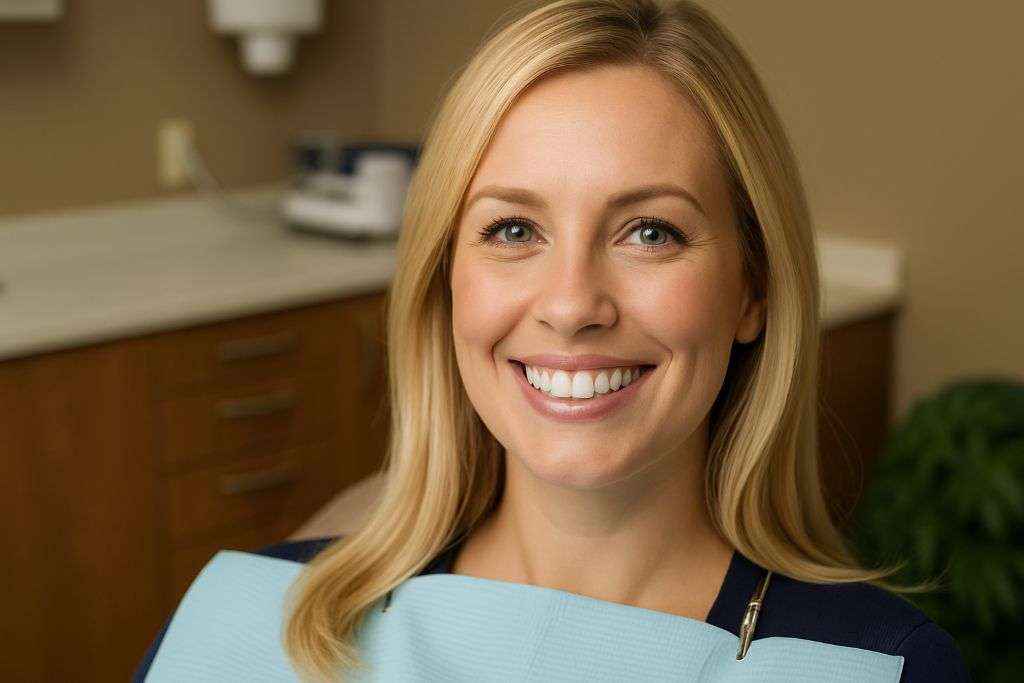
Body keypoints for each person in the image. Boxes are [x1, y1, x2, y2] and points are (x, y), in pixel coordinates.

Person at [135, 1, 970, 681]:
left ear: (753, 287)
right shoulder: (246, 628)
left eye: (649, 231)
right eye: (512, 228)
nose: (572, 305)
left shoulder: (876, 667)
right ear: (443, 277)